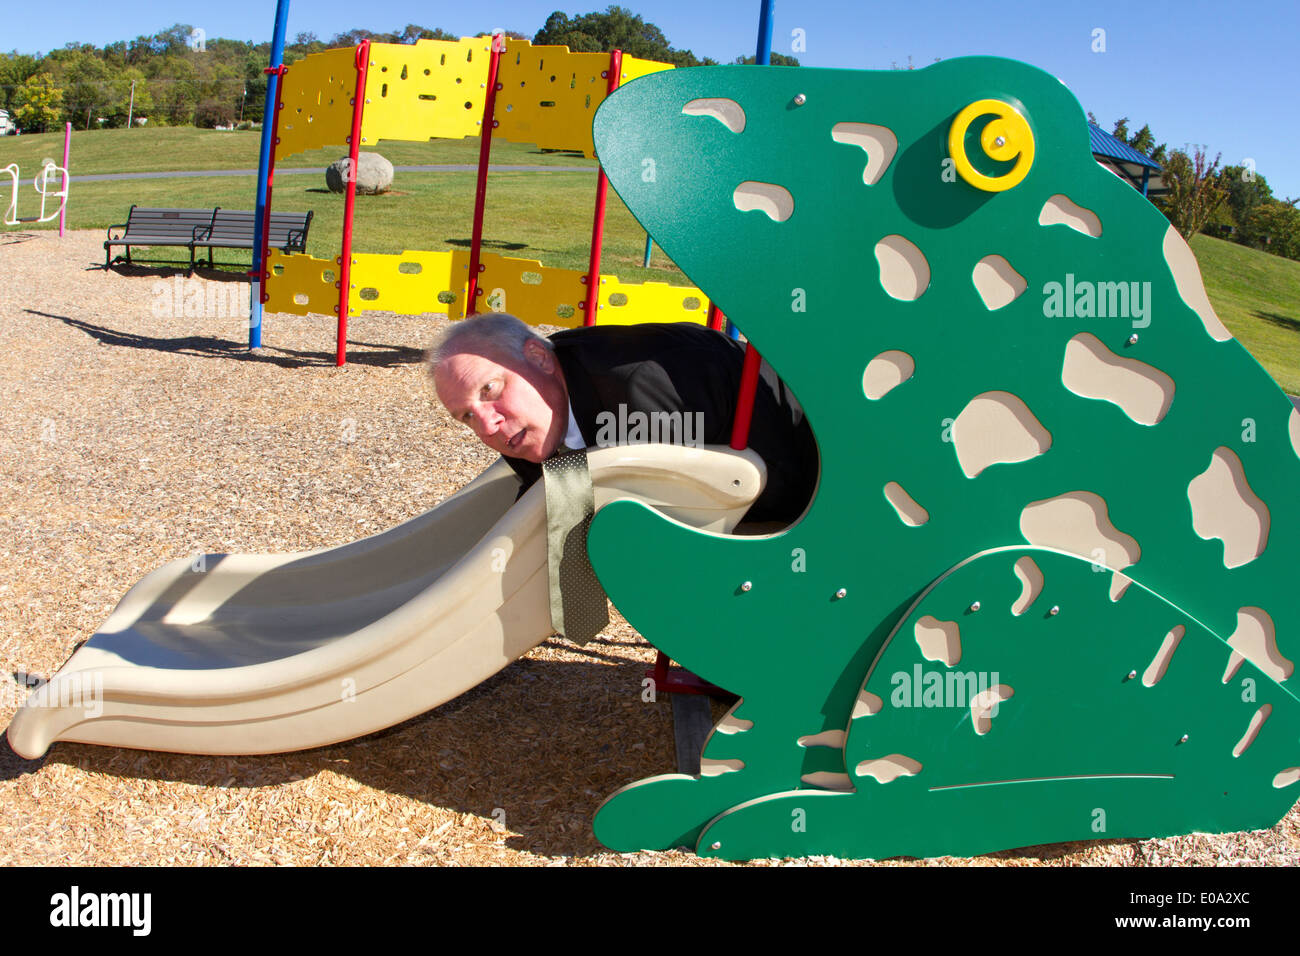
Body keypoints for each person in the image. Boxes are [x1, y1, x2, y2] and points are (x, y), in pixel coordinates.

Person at [427, 313, 818, 524]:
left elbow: (693, 523)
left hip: (813, 461)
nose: (485, 427)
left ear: (540, 357)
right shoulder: (524, 417)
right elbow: (552, 514)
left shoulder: (639, 389)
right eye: (465, 417)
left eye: (490, 390)